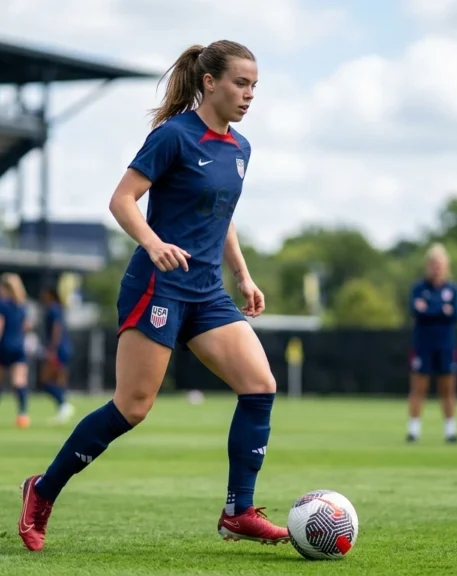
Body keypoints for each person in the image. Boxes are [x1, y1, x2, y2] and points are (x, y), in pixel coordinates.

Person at [16, 40, 288, 552]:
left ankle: (239, 511)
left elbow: (220, 218)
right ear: (210, 82)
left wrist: (244, 276)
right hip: (157, 285)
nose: (250, 95)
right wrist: (153, 242)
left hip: (206, 291)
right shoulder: (174, 136)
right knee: (133, 408)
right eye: (240, 83)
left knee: (260, 386)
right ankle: (42, 491)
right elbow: (121, 200)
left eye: (254, 86)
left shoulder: (241, 149)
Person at [406, 243, 457, 444]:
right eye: (433, 263)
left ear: (446, 265)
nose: (436, 267)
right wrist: (439, 310)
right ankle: (413, 430)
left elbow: (455, 314)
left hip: (446, 345)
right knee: (418, 388)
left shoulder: (453, 289)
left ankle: (450, 430)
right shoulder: (419, 288)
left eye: (440, 263)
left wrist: (430, 309)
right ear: (427, 265)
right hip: (423, 345)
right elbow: (417, 311)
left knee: (447, 389)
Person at [0, 273, 33, 429]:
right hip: (19, 346)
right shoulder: (22, 305)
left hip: (4, 345)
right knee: (19, 381)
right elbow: (27, 326)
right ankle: (22, 415)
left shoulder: (1, 304)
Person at [38, 285, 75, 424]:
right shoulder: (58, 309)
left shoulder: (53, 309)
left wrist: (52, 349)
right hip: (63, 348)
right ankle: (62, 407)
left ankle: (63, 404)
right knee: (59, 380)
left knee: (46, 380)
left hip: (58, 349)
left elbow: (56, 328)